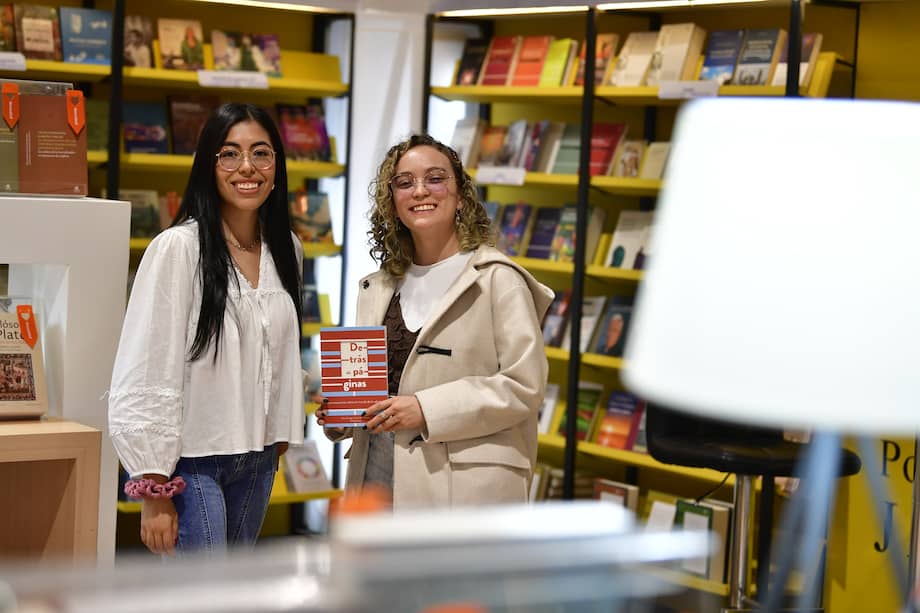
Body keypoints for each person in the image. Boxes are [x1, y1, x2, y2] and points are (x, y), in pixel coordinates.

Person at [108, 103, 305, 556]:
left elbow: (275, 352)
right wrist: (153, 485)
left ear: (277, 166)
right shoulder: (177, 249)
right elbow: (147, 365)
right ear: (209, 165)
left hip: (258, 458)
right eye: (229, 154)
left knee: (229, 595)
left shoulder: (287, 249)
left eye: (261, 153)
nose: (247, 168)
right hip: (192, 463)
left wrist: (277, 431)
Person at [316, 134, 554, 509]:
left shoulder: (497, 279)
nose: (420, 191)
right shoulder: (379, 286)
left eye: (435, 178)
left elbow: (524, 385)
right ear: (392, 203)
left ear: (460, 195)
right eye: (405, 182)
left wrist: (426, 408)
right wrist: (345, 412)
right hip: (377, 477)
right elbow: (378, 386)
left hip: (462, 489)